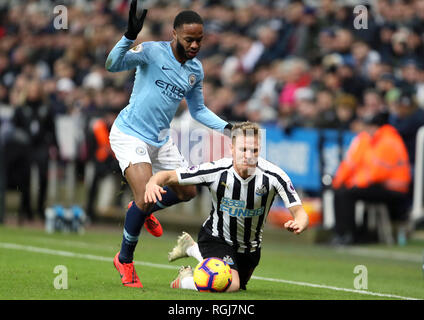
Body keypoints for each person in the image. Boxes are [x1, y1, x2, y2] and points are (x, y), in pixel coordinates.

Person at [106, 1, 232, 288]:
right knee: (145, 196)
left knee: (188, 191)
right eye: (189, 39)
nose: (195, 45)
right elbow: (112, 65)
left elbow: (198, 110)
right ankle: (125, 260)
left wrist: (227, 127)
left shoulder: (195, 70)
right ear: (174, 34)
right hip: (131, 134)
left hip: (162, 139)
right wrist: (128, 37)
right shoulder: (151, 51)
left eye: (200, 39)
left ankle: (140, 209)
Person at [144, 122, 309, 292]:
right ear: (232, 148)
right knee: (230, 284)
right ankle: (184, 280)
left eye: (254, 150)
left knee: (239, 286)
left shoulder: (274, 176)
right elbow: (169, 176)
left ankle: (192, 249)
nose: (249, 155)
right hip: (216, 238)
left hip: (250, 248)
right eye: (243, 150)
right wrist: (153, 183)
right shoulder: (216, 171)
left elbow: (300, 213)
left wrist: (299, 223)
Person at [331, 112, 411, 245]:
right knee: (342, 192)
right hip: (380, 185)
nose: (366, 130)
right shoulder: (374, 140)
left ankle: (348, 234)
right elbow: (359, 166)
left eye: (369, 127)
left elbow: (377, 173)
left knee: (347, 194)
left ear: (376, 127)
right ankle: (344, 233)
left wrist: (355, 183)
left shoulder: (388, 141)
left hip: (394, 190)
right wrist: (346, 182)